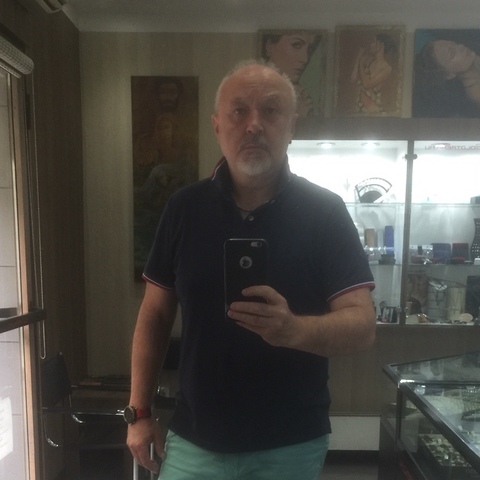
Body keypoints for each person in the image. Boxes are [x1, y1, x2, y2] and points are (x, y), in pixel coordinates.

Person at [126, 59, 376, 480]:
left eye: (271, 110)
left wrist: (294, 330)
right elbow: (154, 314)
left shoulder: (325, 212)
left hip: (290, 443)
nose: (254, 124)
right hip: (195, 438)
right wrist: (139, 412)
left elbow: (363, 326)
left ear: (292, 126)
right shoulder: (184, 208)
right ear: (217, 126)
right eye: (239, 111)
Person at [413, 36, 480, 117]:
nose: (461, 47)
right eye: (453, 53)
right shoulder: (476, 95)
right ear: (448, 74)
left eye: (455, 44)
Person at [261, 32, 322, 118]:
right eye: (296, 45)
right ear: (269, 46)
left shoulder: (302, 96)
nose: (305, 59)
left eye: (310, 49)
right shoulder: (256, 90)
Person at [350, 33, 397, 113]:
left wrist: (361, 64)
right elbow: (353, 79)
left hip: (372, 107)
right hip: (360, 105)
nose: (371, 44)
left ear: (381, 45)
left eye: (374, 42)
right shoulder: (368, 60)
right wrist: (359, 57)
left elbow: (367, 84)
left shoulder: (387, 68)